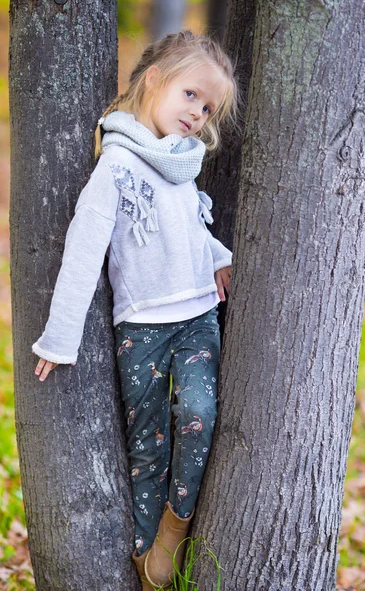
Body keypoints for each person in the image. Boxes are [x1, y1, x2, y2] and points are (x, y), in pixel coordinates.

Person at [32, 29, 240, 590]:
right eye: (191, 95)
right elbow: (82, 251)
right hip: (143, 327)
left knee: (198, 415)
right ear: (156, 80)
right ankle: (151, 561)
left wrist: (219, 256)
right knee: (147, 444)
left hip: (197, 316)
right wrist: (59, 337)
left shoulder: (182, 163)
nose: (198, 113)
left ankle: (175, 527)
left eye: (209, 106)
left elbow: (192, 228)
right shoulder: (116, 167)